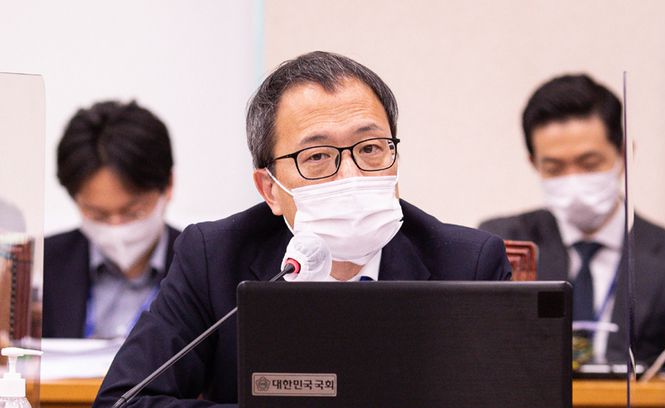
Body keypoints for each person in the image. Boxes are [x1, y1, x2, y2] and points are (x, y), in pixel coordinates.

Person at [94, 51, 511, 406]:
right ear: (269, 190)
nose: (350, 175)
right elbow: (123, 400)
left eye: (370, 148)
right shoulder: (214, 257)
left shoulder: (468, 264)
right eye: (317, 157)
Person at [480, 74, 665, 365]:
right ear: (534, 164)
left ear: (624, 155)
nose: (573, 180)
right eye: (554, 168)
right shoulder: (503, 242)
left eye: (590, 164)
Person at [43, 100, 180, 339]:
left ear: (168, 185)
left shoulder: (206, 268)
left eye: (133, 212)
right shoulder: (41, 265)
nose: (116, 228)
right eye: (97, 214)